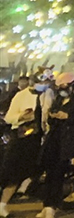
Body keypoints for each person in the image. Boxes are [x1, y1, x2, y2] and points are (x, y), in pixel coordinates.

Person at [39, 72, 74, 218]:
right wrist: (53, 116)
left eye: (64, 86)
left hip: (68, 142)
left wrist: (68, 116)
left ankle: (51, 207)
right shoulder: (59, 98)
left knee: (58, 173)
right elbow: (52, 115)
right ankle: (46, 206)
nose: (61, 89)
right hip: (54, 140)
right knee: (49, 173)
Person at [1, 75, 44, 218]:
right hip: (22, 139)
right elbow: (9, 117)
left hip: (42, 139)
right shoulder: (21, 96)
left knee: (39, 168)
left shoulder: (48, 95)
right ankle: (3, 205)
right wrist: (21, 117)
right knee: (13, 172)